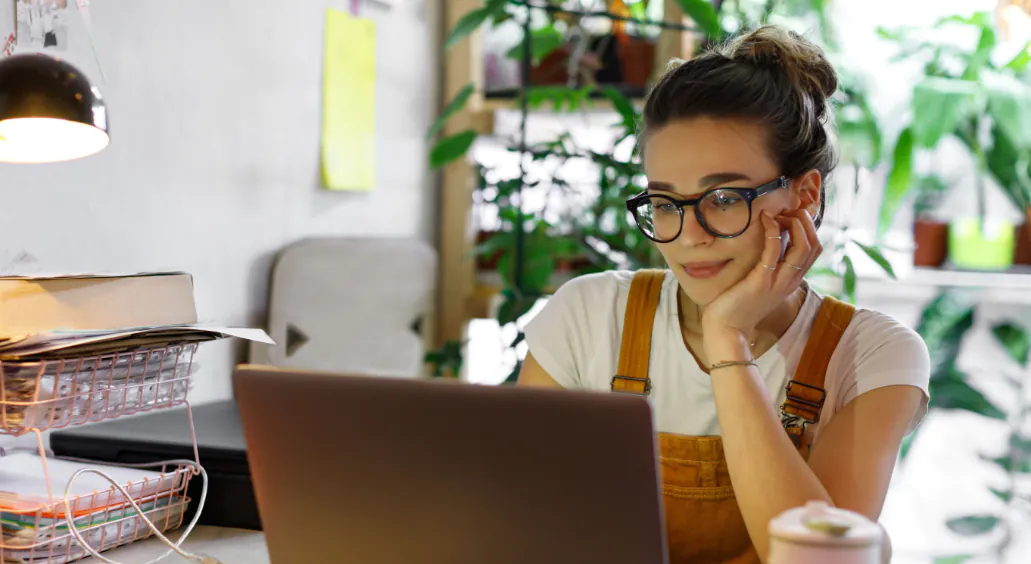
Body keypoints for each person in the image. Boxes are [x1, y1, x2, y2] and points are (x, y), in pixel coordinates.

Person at [517, 25, 930, 564]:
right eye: (666, 203)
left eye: (724, 198)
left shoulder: (873, 356)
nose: (689, 235)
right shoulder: (588, 316)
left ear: (804, 195)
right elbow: (518, 525)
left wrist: (727, 339)